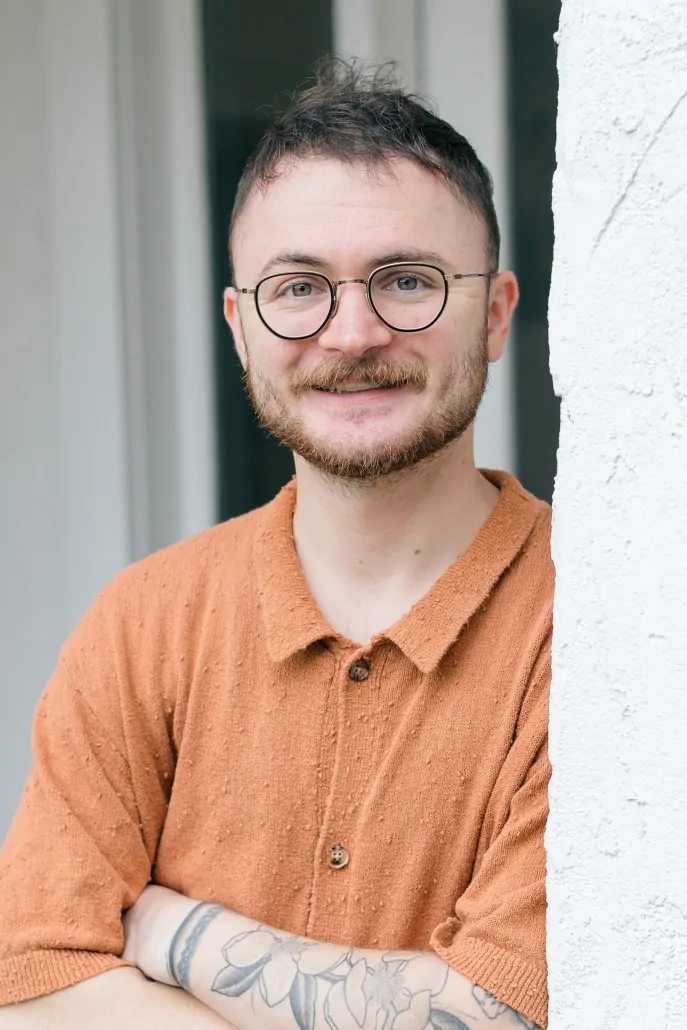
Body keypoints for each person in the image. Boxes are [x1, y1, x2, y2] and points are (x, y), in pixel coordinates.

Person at [0, 60, 552, 1030]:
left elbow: (514, 1010)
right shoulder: (142, 622)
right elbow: (30, 983)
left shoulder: (596, 625)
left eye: (408, 281)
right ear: (240, 327)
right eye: (298, 288)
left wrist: (181, 935)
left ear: (497, 313)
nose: (352, 333)